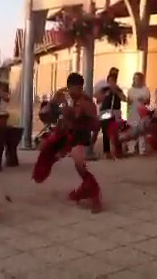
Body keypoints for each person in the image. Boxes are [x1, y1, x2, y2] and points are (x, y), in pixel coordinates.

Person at [33, 73, 102, 213]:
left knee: (79, 164)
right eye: (71, 88)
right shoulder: (62, 95)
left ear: (80, 88)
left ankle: (94, 194)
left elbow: (96, 124)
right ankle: (50, 163)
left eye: (76, 89)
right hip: (63, 133)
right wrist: (52, 105)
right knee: (45, 149)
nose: (73, 91)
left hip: (79, 135)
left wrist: (93, 139)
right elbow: (45, 113)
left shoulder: (86, 102)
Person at [96, 71, 126, 158]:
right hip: (105, 111)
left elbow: (124, 99)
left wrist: (116, 91)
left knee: (117, 131)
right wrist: (106, 94)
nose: (111, 82)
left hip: (116, 111)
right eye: (109, 81)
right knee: (105, 130)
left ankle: (118, 151)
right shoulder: (105, 89)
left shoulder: (118, 90)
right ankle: (107, 152)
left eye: (113, 80)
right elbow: (98, 99)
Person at [127, 72, 150, 155]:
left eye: (137, 78)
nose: (135, 80)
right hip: (133, 110)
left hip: (142, 111)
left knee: (141, 130)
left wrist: (143, 100)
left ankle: (142, 149)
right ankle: (131, 149)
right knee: (133, 130)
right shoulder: (131, 90)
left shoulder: (145, 89)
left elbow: (148, 101)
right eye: (134, 78)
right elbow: (129, 101)